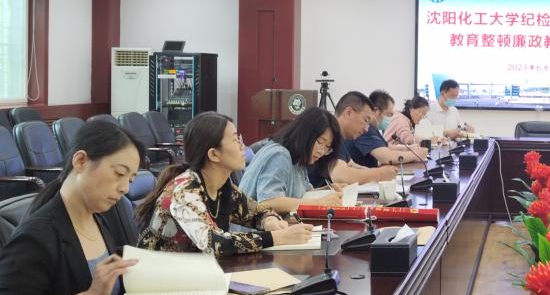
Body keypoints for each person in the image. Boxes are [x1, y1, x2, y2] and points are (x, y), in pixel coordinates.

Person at [0, 122, 143, 295]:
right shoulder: (37, 235)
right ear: (81, 161)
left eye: (131, 179)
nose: (125, 187)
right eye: (119, 173)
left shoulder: (99, 217)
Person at [135, 112, 312, 254]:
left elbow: (257, 212)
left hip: (197, 274)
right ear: (214, 154)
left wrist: (269, 221)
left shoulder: (223, 187)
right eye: (235, 140)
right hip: (161, 279)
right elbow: (213, 242)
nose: (242, 146)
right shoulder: (185, 190)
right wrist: (278, 237)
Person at [238, 107, 346, 214]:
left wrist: (327, 190)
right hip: (254, 224)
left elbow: (303, 194)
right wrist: (318, 203)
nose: (321, 151)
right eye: (320, 142)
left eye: (327, 147)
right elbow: (268, 202)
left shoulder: (299, 159)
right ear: (305, 134)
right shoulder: (279, 155)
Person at [308, 91, 400, 187]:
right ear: (348, 113)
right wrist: (380, 174)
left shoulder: (340, 138)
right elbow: (341, 175)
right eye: (366, 120)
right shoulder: (331, 134)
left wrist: (382, 173)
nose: (366, 129)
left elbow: (353, 166)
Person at [347, 89, 427, 168]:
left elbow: (385, 146)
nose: (390, 119)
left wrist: (407, 148)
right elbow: (387, 158)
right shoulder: (365, 129)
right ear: (376, 111)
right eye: (389, 115)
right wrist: (416, 155)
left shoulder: (372, 128)